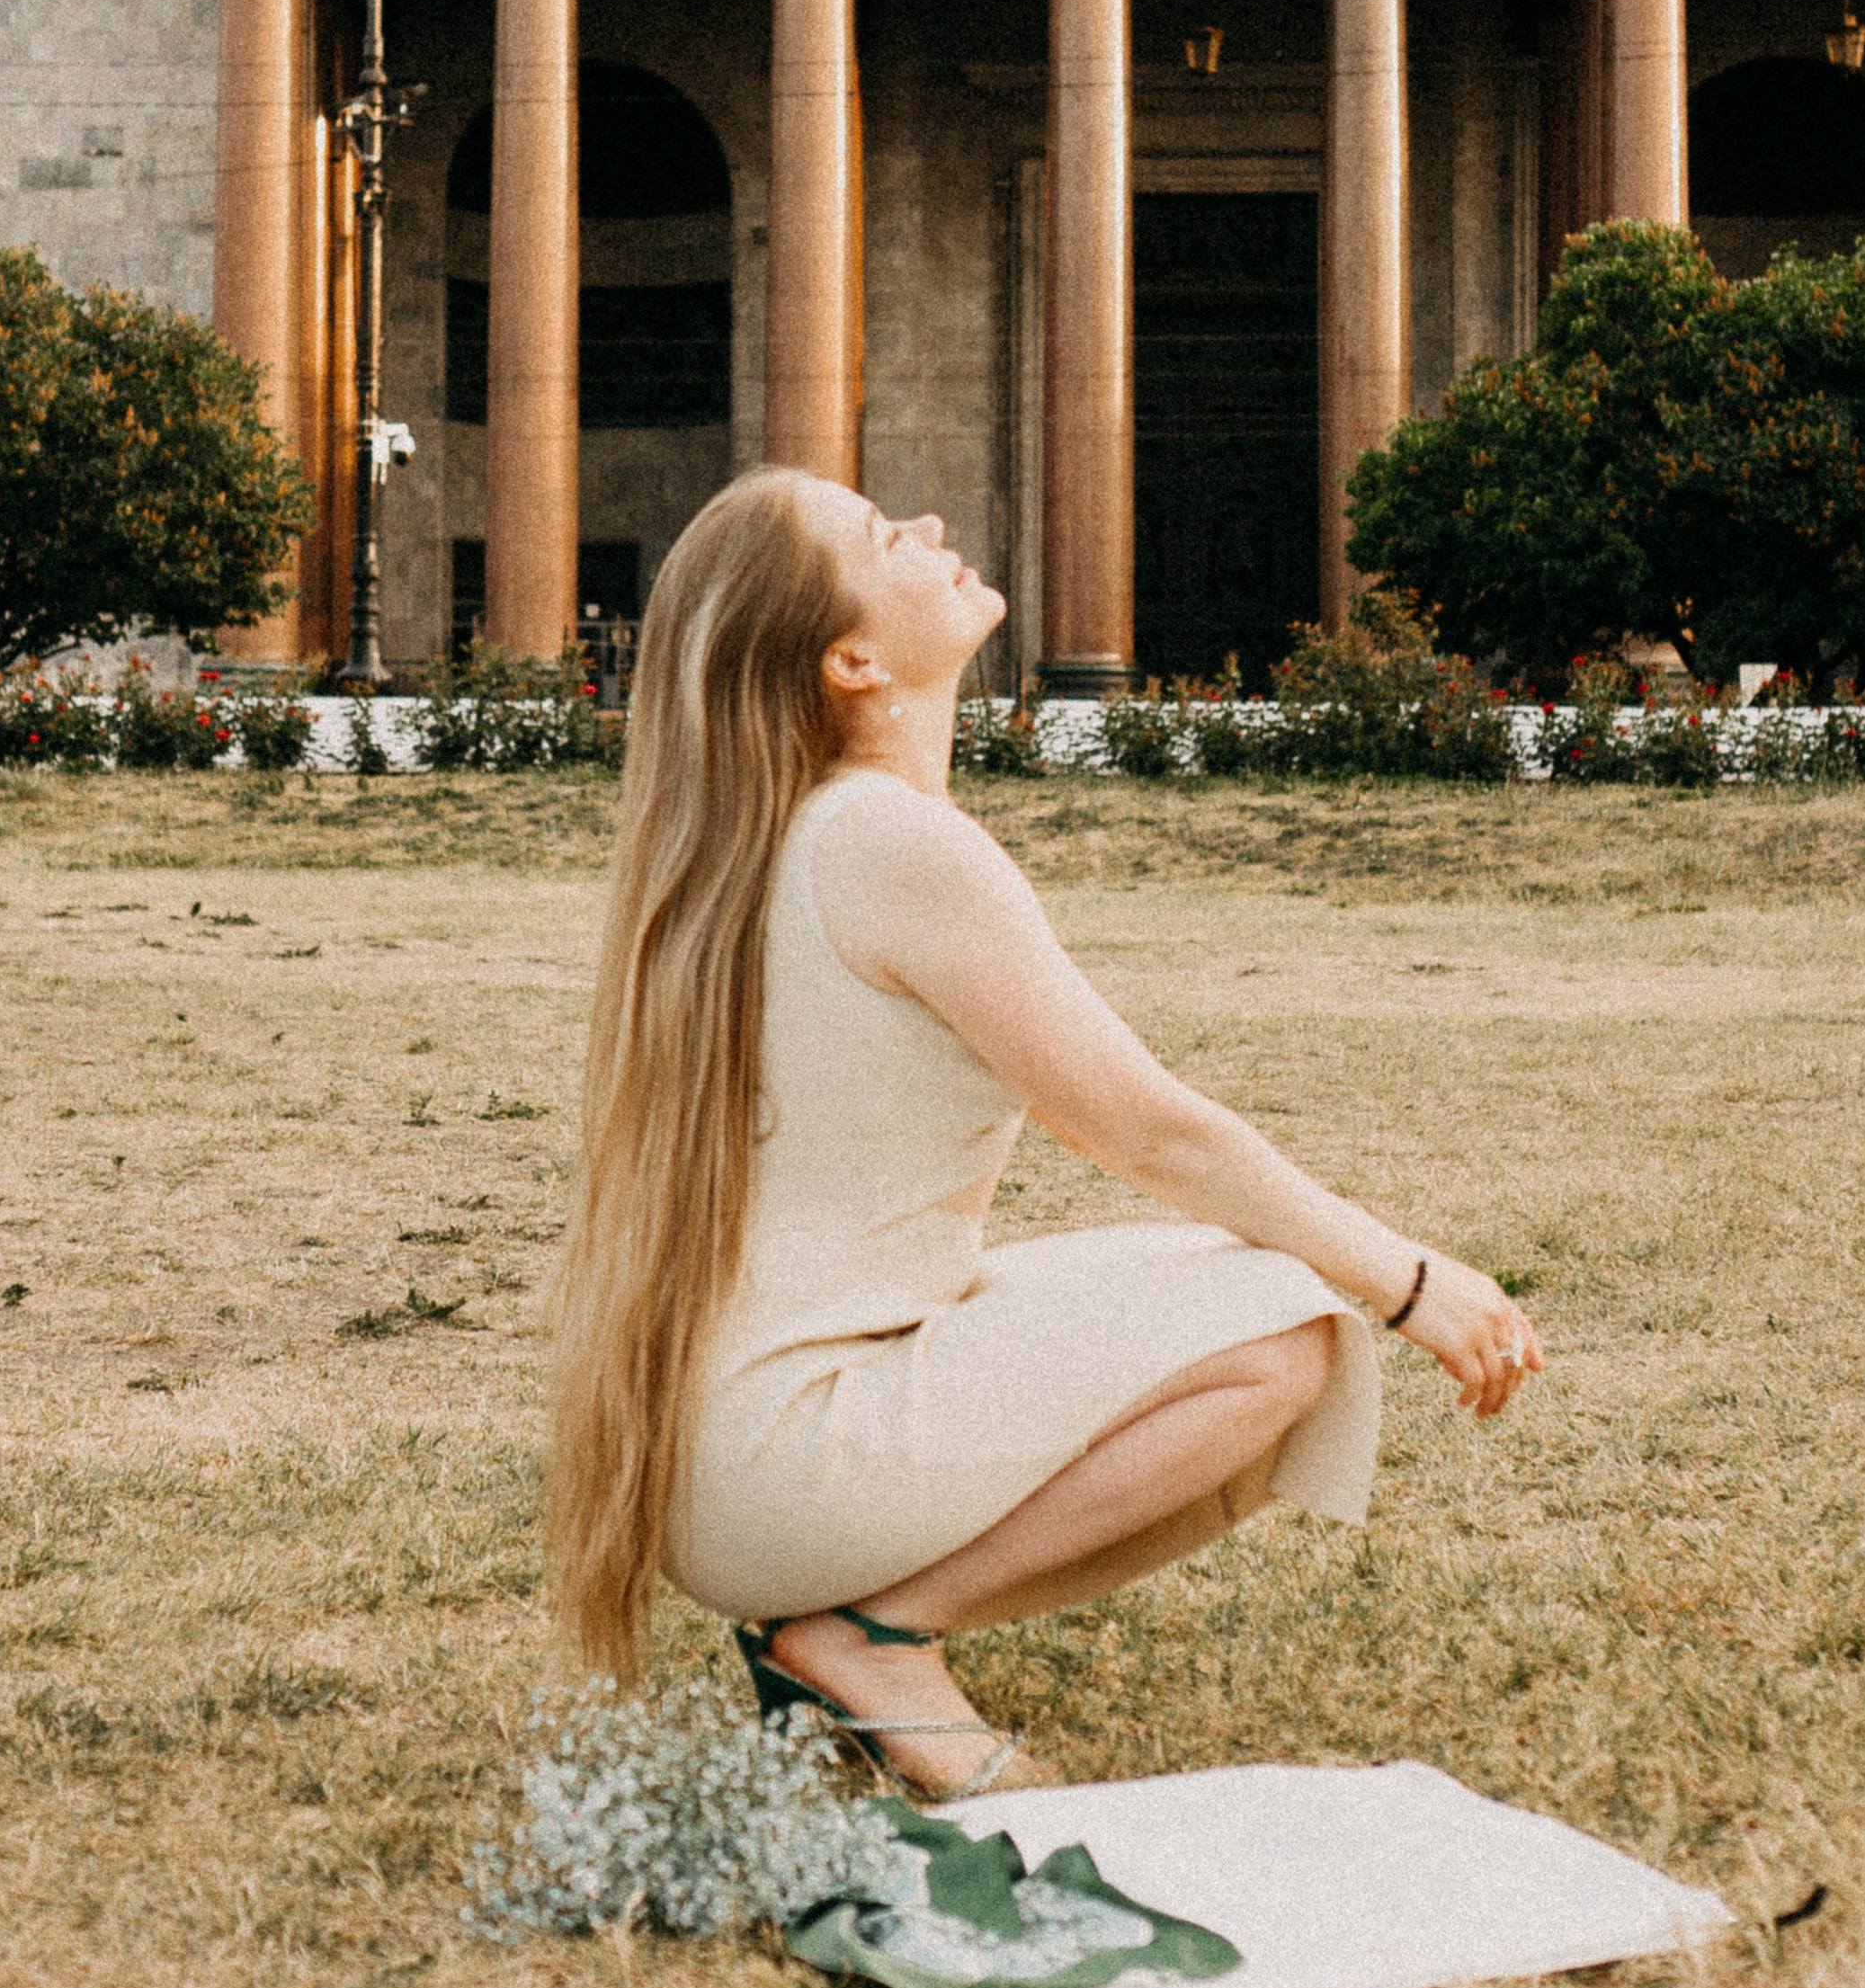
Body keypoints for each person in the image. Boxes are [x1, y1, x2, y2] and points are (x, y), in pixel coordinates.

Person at [547, 470, 1543, 1799]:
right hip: (787, 1460)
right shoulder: (895, 846)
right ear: (849, 657)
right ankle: (871, 1637)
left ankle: (860, 1625)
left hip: (725, 1456)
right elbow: (1150, 1131)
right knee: (1290, 1336)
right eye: (884, 538)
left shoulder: (790, 837)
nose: (933, 530)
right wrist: (1415, 1280)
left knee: (1244, 1295)